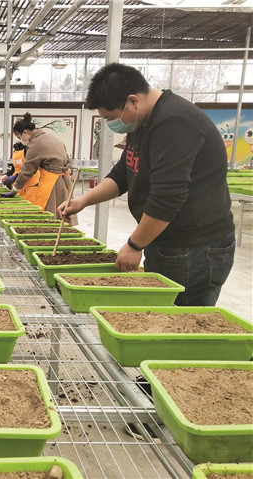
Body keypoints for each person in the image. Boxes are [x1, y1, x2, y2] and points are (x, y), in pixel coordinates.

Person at [60, 63, 236, 441]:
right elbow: (123, 174)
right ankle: (156, 396)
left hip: (196, 247)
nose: (112, 124)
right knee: (166, 324)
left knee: (182, 330)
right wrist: (84, 200)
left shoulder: (174, 123)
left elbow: (169, 197)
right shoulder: (143, 123)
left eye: (111, 116)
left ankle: (173, 414)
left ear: (132, 101)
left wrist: (135, 244)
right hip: (171, 244)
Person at [1, 113, 78, 225]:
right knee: (62, 213)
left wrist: (14, 190)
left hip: (51, 183)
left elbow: (27, 170)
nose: (20, 140)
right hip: (64, 181)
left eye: (18, 137)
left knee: (50, 214)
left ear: (25, 132)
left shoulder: (36, 143)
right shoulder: (51, 138)